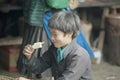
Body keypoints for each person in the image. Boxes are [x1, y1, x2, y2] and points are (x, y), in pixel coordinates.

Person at [16, 11, 92, 80]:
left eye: (55, 34)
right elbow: (39, 67)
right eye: (51, 33)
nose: (52, 38)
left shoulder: (79, 56)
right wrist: (29, 56)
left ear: (69, 34)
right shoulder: (54, 49)